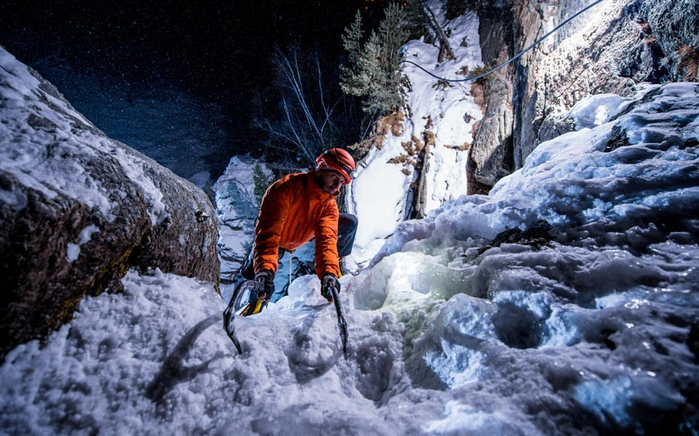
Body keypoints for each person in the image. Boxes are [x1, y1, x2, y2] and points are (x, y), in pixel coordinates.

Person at [226, 148, 359, 317]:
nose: (336, 185)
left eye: (341, 181)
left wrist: (329, 273)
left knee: (350, 223)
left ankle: (333, 269)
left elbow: (327, 239)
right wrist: (265, 270)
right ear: (322, 169)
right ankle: (249, 311)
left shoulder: (328, 206)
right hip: (279, 240)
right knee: (258, 280)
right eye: (334, 176)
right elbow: (269, 234)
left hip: (303, 238)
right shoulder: (285, 189)